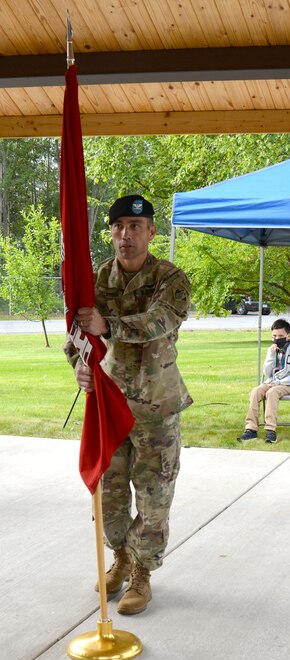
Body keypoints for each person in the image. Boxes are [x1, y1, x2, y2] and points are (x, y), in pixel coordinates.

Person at [64, 194, 192, 615]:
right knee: (112, 496)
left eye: (135, 227)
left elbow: (159, 321)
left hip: (156, 408)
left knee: (154, 497)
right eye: (119, 226)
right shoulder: (96, 280)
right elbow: (78, 337)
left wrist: (110, 324)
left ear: (152, 232)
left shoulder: (171, 278)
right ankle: (119, 558)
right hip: (110, 404)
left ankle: (143, 571)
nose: (126, 235)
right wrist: (80, 366)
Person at [237, 318, 290, 444]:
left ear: (288, 336)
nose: (277, 338)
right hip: (271, 381)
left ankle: (271, 431)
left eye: (281, 336)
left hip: (287, 384)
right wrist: (271, 355)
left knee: (272, 393)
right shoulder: (271, 350)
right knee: (256, 391)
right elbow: (267, 373)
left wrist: (277, 383)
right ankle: (251, 429)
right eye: (274, 336)